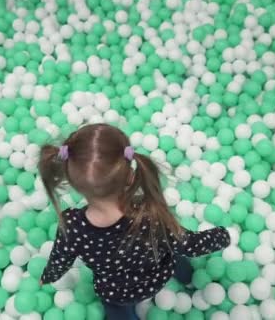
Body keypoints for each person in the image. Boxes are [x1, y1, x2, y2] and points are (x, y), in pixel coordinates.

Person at [37, 123, 231, 320]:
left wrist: (49, 276)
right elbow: (188, 244)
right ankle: (188, 277)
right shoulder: (149, 215)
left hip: (117, 293)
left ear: (73, 184)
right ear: (130, 175)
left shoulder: (71, 226)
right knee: (171, 250)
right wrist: (221, 236)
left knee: (117, 311)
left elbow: (60, 259)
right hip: (156, 277)